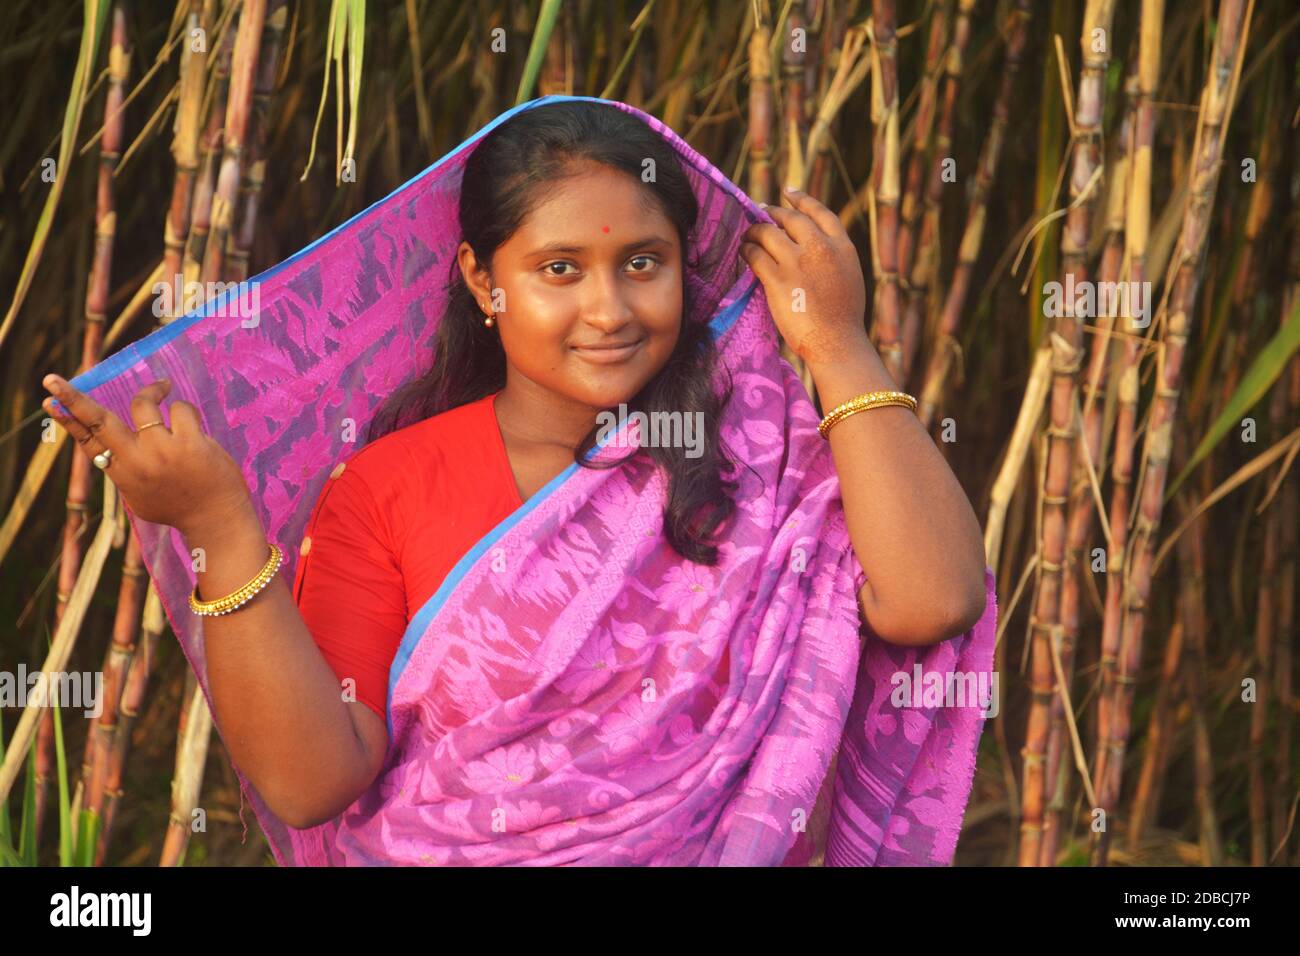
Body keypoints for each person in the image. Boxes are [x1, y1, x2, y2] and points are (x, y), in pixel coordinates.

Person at [42, 97, 995, 866]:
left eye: (642, 264)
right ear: (482, 280)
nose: (609, 308)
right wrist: (218, 525)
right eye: (558, 270)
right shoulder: (389, 488)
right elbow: (311, 780)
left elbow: (933, 600)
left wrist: (838, 344)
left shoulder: (760, 453)